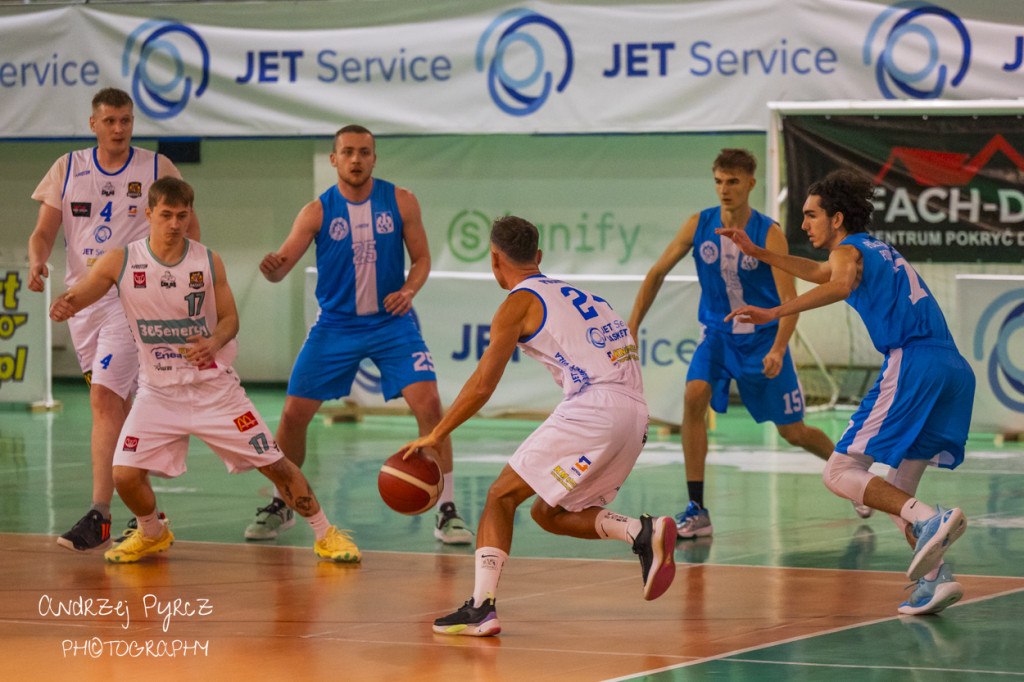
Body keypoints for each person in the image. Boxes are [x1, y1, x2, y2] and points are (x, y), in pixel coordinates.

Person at [48, 177, 358, 564]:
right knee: (124, 474)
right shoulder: (122, 260)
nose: (175, 223)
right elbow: (89, 289)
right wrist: (68, 304)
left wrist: (213, 342)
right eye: (166, 215)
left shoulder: (207, 261)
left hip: (215, 391)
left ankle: (326, 533)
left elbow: (230, 319)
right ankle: (151, 532)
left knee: (275, 464)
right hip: (158, 392)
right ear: (149, 214)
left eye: (182, 215)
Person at [399, 215, 676, 637]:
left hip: (595, 408)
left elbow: (481, 386)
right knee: (549, 512)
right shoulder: (586, 295)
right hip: (636, 415)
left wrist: (437, 433)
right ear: (539, 256)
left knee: (499, 497)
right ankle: (640, 531)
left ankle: (481, 607)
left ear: (494, 258)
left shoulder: (517, 303)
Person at [720, 169, 972, 616]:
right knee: (896, 491)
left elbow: (837, 284)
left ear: (837, 219)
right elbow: (821, 273)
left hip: (914, 362)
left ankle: (932, 520)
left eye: (810, 215)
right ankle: (936, 581)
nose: (804, 225)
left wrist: (774, 312)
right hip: (951, 368)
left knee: (839, 473)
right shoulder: (875, 249)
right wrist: (760, 253)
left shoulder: (849, 250)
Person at [249, 124, 472, 547]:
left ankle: (447, 510)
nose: (355, 159)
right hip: (335, 326)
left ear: (374, 158)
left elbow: (422, 258)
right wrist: (273, 269)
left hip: (391, 324)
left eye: (364, 152)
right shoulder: (315, 211)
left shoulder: (401, 201)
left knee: (430, 406)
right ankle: (283, 504)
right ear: (334, 159)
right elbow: (283, 267)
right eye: (347, 152)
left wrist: (409, 290)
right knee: (293, 415)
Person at [629, 149, 866, 540]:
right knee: (693, 396)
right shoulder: (698, 224)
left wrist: (777, 348)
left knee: (794, 432)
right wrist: (632, 324)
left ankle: (854, 477)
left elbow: (789, 299)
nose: (725, 189)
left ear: (751, 184)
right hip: (719, 337)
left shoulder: (768, 232)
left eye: (733, 181)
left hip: (762, 341)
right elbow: (656, 272)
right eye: (719, 181)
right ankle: (697, 508)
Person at [28, 87, 201, 552]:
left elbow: (189, 226)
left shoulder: (155, 167)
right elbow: (44, 231)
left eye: (126, 120)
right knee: (119, 410)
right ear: (94, 124)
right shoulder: (67, 168)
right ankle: (148, 517)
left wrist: (186, 287)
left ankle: (99, 514)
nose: (119, 129)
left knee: (104, 399)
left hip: (134, 298)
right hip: (84, 301)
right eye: (110, 121)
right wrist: (36, 260)